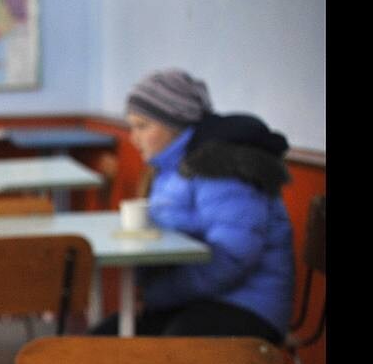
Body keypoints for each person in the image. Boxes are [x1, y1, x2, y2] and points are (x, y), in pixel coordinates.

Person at [92, 69, 294, 343]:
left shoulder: (223, 166)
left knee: (166, 358)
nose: (133, 137)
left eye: (143, 126)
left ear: (174, 124)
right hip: (196, 297)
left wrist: (157, 295)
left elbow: (233, 257)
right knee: (94, 345)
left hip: (247, 307)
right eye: (132, 126)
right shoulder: (172, 167)